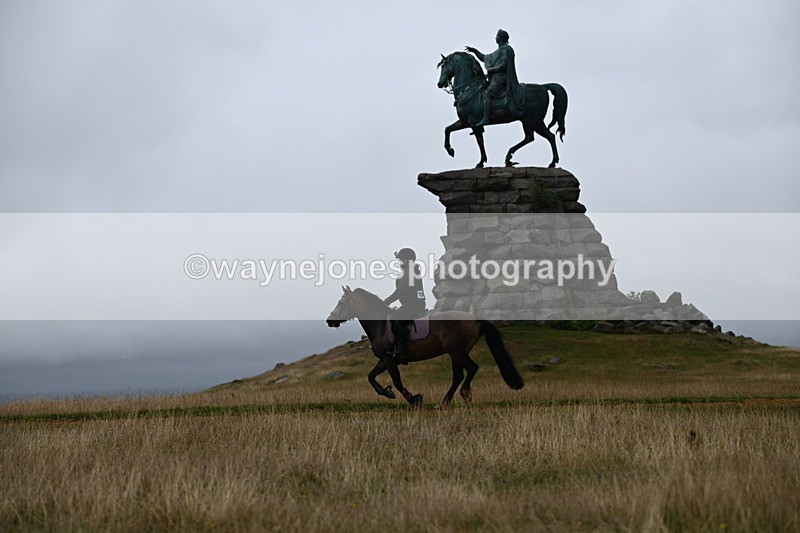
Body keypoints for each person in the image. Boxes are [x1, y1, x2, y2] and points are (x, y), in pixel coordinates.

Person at [465, 29, 526, 126]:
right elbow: (484, 58)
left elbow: (504, 64)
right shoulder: (496, 52)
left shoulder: (507, 49)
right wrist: (474, 51)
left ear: (501, 38)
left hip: (501, 80)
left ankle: (486, 118)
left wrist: (492, 70)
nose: (495, 38)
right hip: (495, 79)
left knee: (487, 93)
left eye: (497, 36)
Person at [384, 248, 427, 365]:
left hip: (414, 304)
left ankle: (401, 353)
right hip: (413, 303)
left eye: (402, 260)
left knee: (398, 321)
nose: (400, 262)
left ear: (408, 260)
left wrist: (386, 301)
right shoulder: (411, 270)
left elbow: (401, 291)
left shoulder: (409, 271)